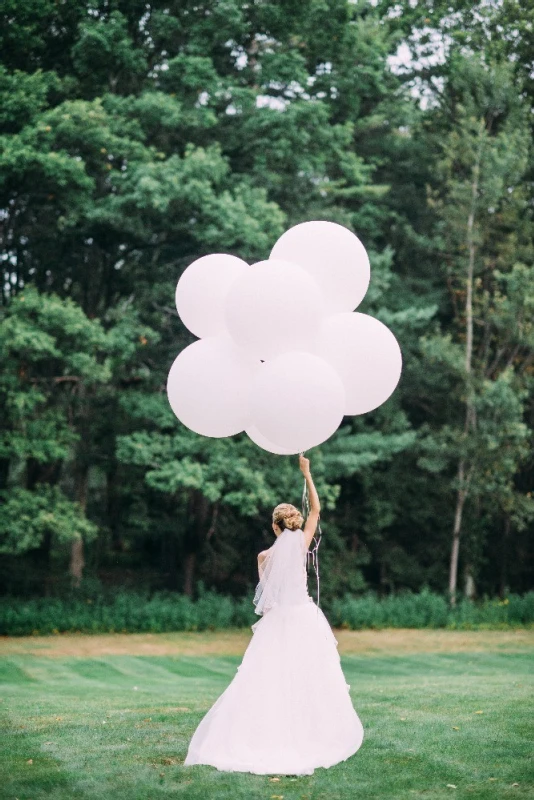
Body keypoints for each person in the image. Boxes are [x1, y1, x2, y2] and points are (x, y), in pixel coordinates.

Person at [183, 454, 364, 776]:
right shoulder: (302, 545)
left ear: (274, 525)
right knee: (311, 675)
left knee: (270, 676)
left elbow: (267, 601)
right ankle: (313, 733)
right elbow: (317, 510)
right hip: (306, 618)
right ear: (293, 523)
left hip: (279, 621)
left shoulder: (264, 556)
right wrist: (307, 474)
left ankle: (264, 732)